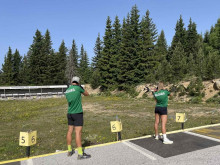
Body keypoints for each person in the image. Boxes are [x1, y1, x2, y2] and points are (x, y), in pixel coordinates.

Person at [65, 76, 91, 159]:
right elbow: (87, 94)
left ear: (72, 81)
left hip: (69, 113)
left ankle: (69, 150)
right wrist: (81, 87)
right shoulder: (78, 88)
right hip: (77, 113)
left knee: (69, 131)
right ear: (78, 82)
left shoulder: (67, 90)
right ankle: (80, 154)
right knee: (78, 133)